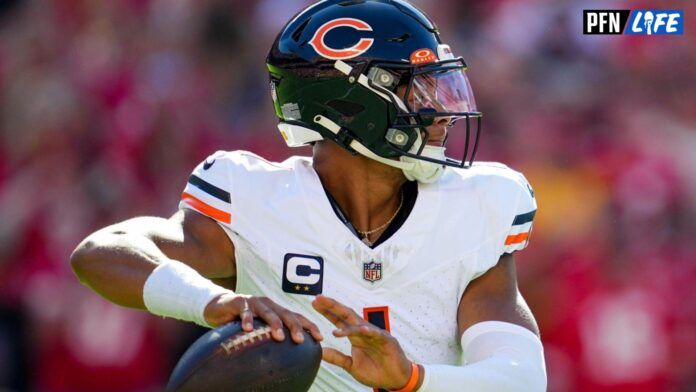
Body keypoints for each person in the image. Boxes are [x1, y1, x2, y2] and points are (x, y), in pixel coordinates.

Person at [71, 1, 547, 390]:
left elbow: (520, 378)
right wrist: (214, 302)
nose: (442, 113)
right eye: (420, 91)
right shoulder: (258, 200)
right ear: (351, 106)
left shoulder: (478, 203)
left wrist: (412, 379)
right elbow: (101, 254)